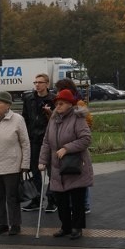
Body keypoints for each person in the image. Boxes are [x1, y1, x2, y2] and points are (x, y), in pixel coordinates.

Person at [38, 89, 93, 240]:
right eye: (56, 103)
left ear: (70, 104)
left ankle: (77, 227)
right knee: (60, 199)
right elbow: (46, 142)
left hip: (74, 165)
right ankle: (65, 226)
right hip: (57, 165)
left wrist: (67, 148)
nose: (58, 106)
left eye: (61, 103)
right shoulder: (53, 120)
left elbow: (86, 139)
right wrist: (42, 161)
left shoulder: (78, 118)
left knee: (76, 200)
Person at [0, 91, 30, 236]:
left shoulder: (17, 119)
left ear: (8, 105)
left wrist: (25, 164)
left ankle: (15, 224)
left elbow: (25, 143)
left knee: (12, 197)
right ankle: (2, 223)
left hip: (11, 166)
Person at [54, 78, 94, 214]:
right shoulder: (59, 109)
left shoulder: (78, 104)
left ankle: (85, 204)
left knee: (79, 174)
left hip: (76, 146)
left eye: (59, 89)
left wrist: (79, 129)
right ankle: (77, 204)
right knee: (70, 174)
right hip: (65, 148)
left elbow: (87, 122)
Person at [21, 73, 56, 213]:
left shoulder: (53, 99)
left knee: (51, 170)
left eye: (40, 82)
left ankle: (52, 199)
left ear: (47, 84)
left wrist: (50, 113)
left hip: (48, 139)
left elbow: (58, 119)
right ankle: (36, 198)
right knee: (34, 169)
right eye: (35, 82)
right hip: (33, 139)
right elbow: (25, 117)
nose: (37, 85)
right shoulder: (29, 98)